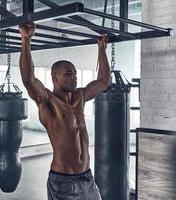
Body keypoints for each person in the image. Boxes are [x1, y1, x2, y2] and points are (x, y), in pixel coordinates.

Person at [19, 22, 111, 200]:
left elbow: (104, 82)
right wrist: (26, 40)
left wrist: (101, 49)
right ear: (55, 77)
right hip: (63, 182)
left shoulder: (80, 97)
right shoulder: (47, 101)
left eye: (75, 73)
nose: (74, 77)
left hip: (87, 178)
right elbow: (28, 80)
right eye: (69, 73)